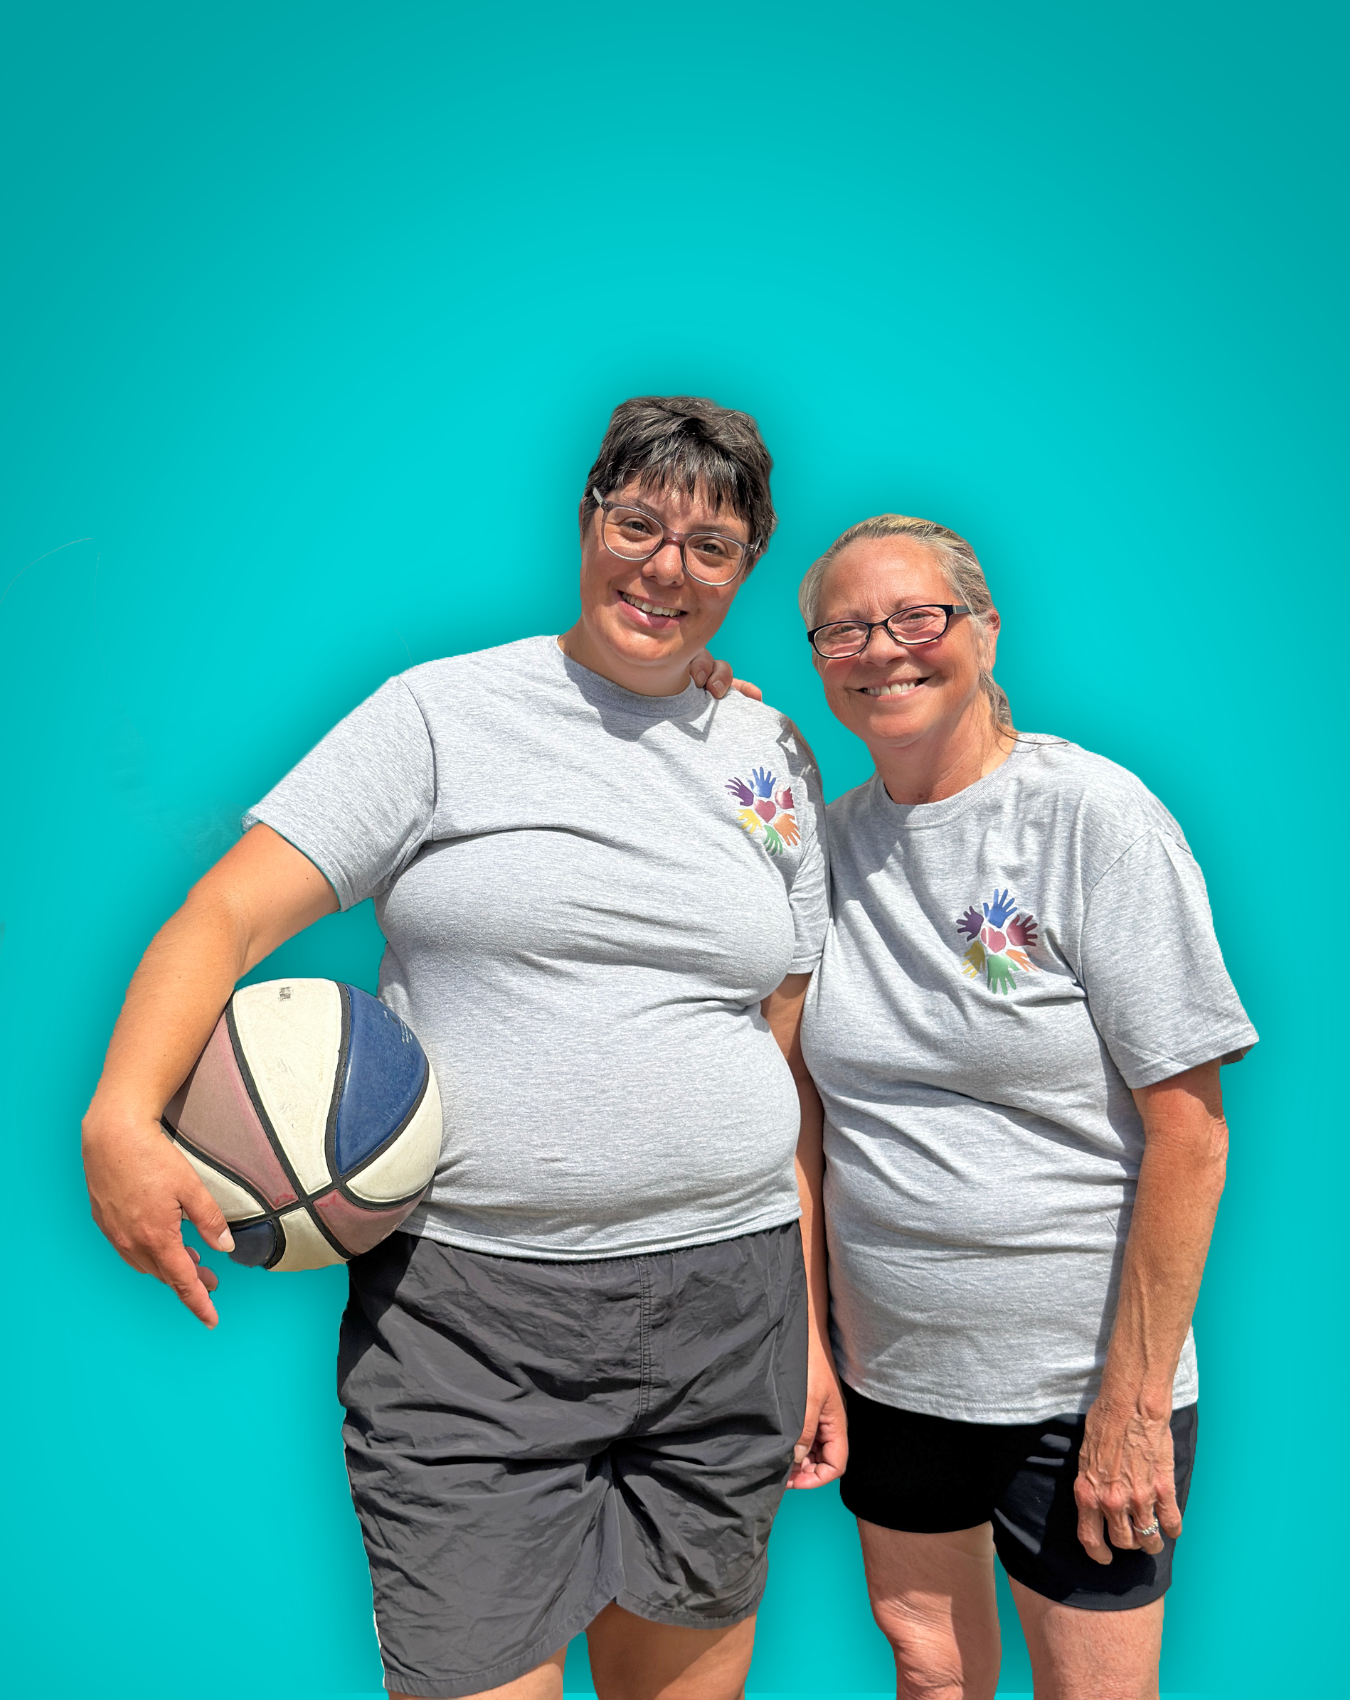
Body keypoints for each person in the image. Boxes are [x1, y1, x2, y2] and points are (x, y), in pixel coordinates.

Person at [80, 396, 847, 1700]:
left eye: (709, 546)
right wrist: (120, 1115)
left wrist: (813, 1331)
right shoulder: (442, 715)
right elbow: (224, 915)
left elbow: (784, 1061)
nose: (665, 568)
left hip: (731, 1310)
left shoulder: (770, 752)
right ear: (588, 517)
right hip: (470, 1323)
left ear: (746, 568)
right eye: (638, 524)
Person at [795, 515, 1256, 1700]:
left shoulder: (1091, 816)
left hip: (1079, 1387)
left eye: (917, 616)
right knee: (930, 1672)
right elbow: (805, 1120)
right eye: (845, 629)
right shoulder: (828, 847)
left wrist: (1132, 1407)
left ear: (986, 631)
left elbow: (1193, 1133)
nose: (882, 648)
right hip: (894, 1374)